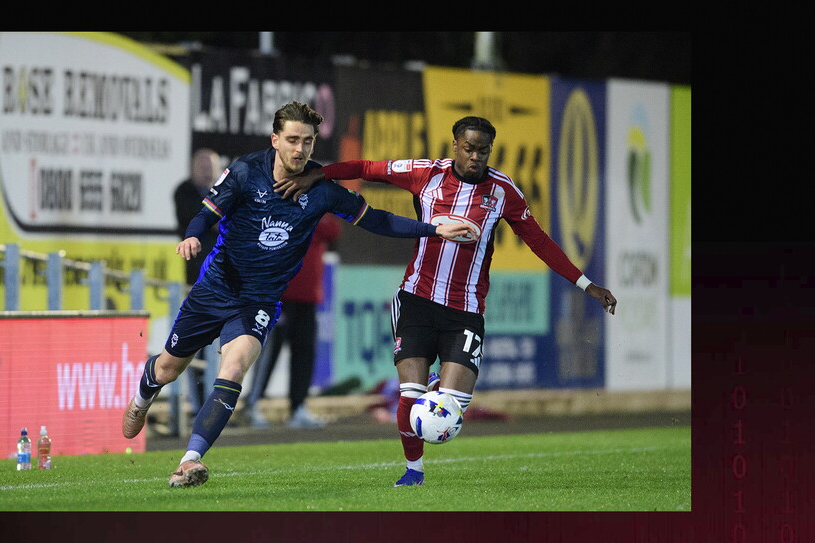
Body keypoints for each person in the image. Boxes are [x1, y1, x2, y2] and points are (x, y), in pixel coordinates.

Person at [121, 101, 474, 488]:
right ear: (275, 139)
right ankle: (143, 396)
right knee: (169, 368)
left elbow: (377, 220)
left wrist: (432, 230)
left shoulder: (322, 190)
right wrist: (191, 234)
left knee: (234, 368)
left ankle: (189, 460)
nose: (300, 150)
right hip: (216, 288)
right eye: (292, 140)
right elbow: (206, 213)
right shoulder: (244, 172)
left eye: (307, 142)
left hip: (260, 299)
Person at [274, 115, 618, 487]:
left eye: (483, 151)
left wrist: (587, 284)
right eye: (469, 149)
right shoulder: (425, 173)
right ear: (454, 145)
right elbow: (365, 167)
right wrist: (318, 175)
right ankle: (413, 471)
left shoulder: (503, 192)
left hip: (466, 309)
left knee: (453, 410)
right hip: (417, 300)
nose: (475, 157)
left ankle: (440, 386)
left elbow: (540, 242)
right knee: (410, 395)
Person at [244, 212, 342, 429]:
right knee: (268, 352)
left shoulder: (320, 204)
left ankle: (298, 407)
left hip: (308, 296)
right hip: (281, 295)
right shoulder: (282, 206)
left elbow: (333, 230)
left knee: (304, 352)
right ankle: (253, 404)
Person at [172, 148, 224, 425]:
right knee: (192, 341)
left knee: (219, 344)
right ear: (192, 167)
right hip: (195, 281)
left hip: (225, 280)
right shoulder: (184, 192)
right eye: (201, 164)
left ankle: (213, 403)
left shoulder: (226, 192)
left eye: (211, 165)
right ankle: (195, 403)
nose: (206, 169)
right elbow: (198, 220)